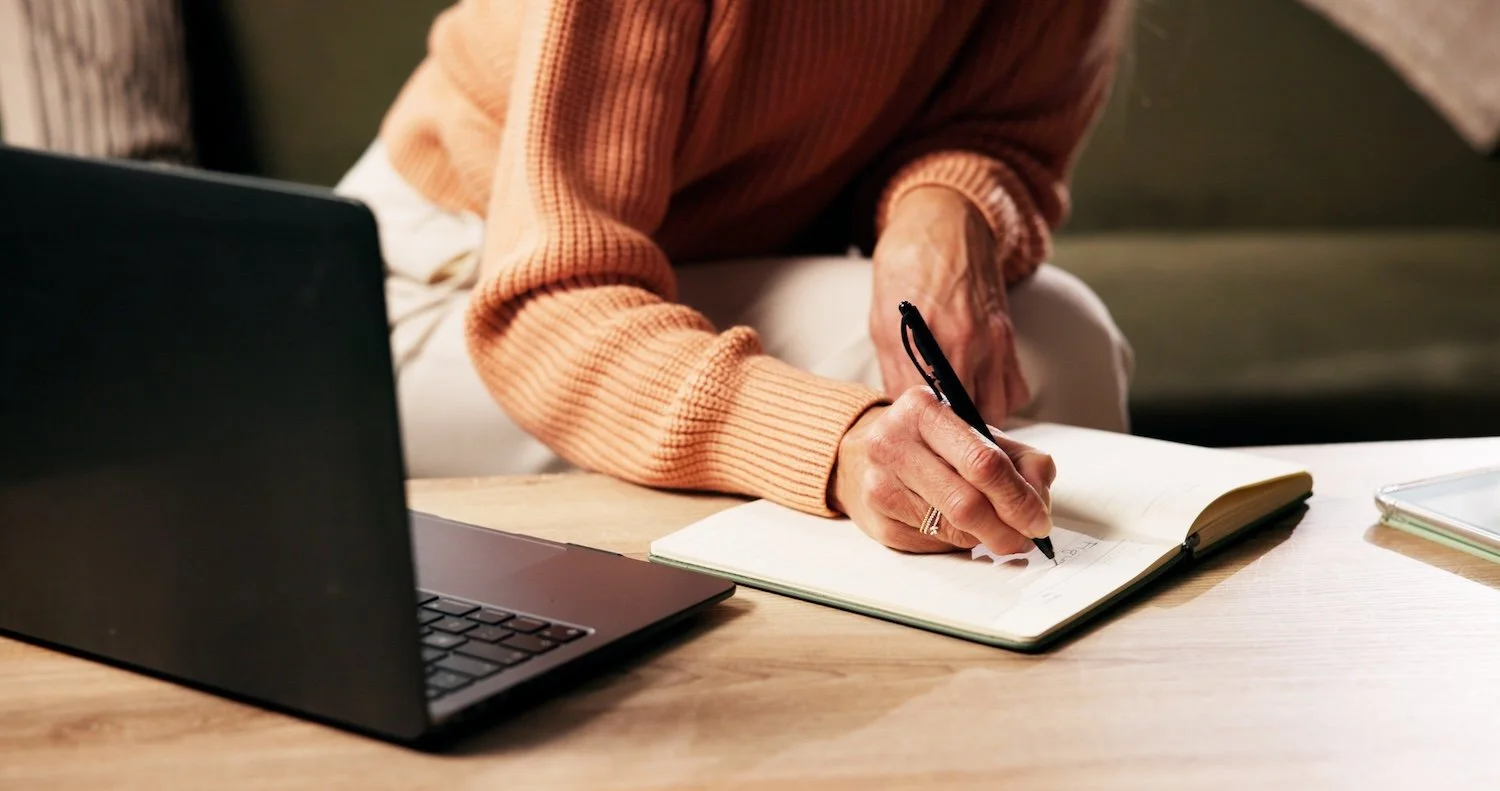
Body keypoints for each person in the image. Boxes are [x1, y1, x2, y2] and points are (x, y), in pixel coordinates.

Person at [336, 0, 1135, 558]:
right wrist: (834, 441)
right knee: (937, 411)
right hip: (424, 288)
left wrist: (945, 205)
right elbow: (547, 299)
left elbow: (1011, 132)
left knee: (1051, 342)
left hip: (704, 259)